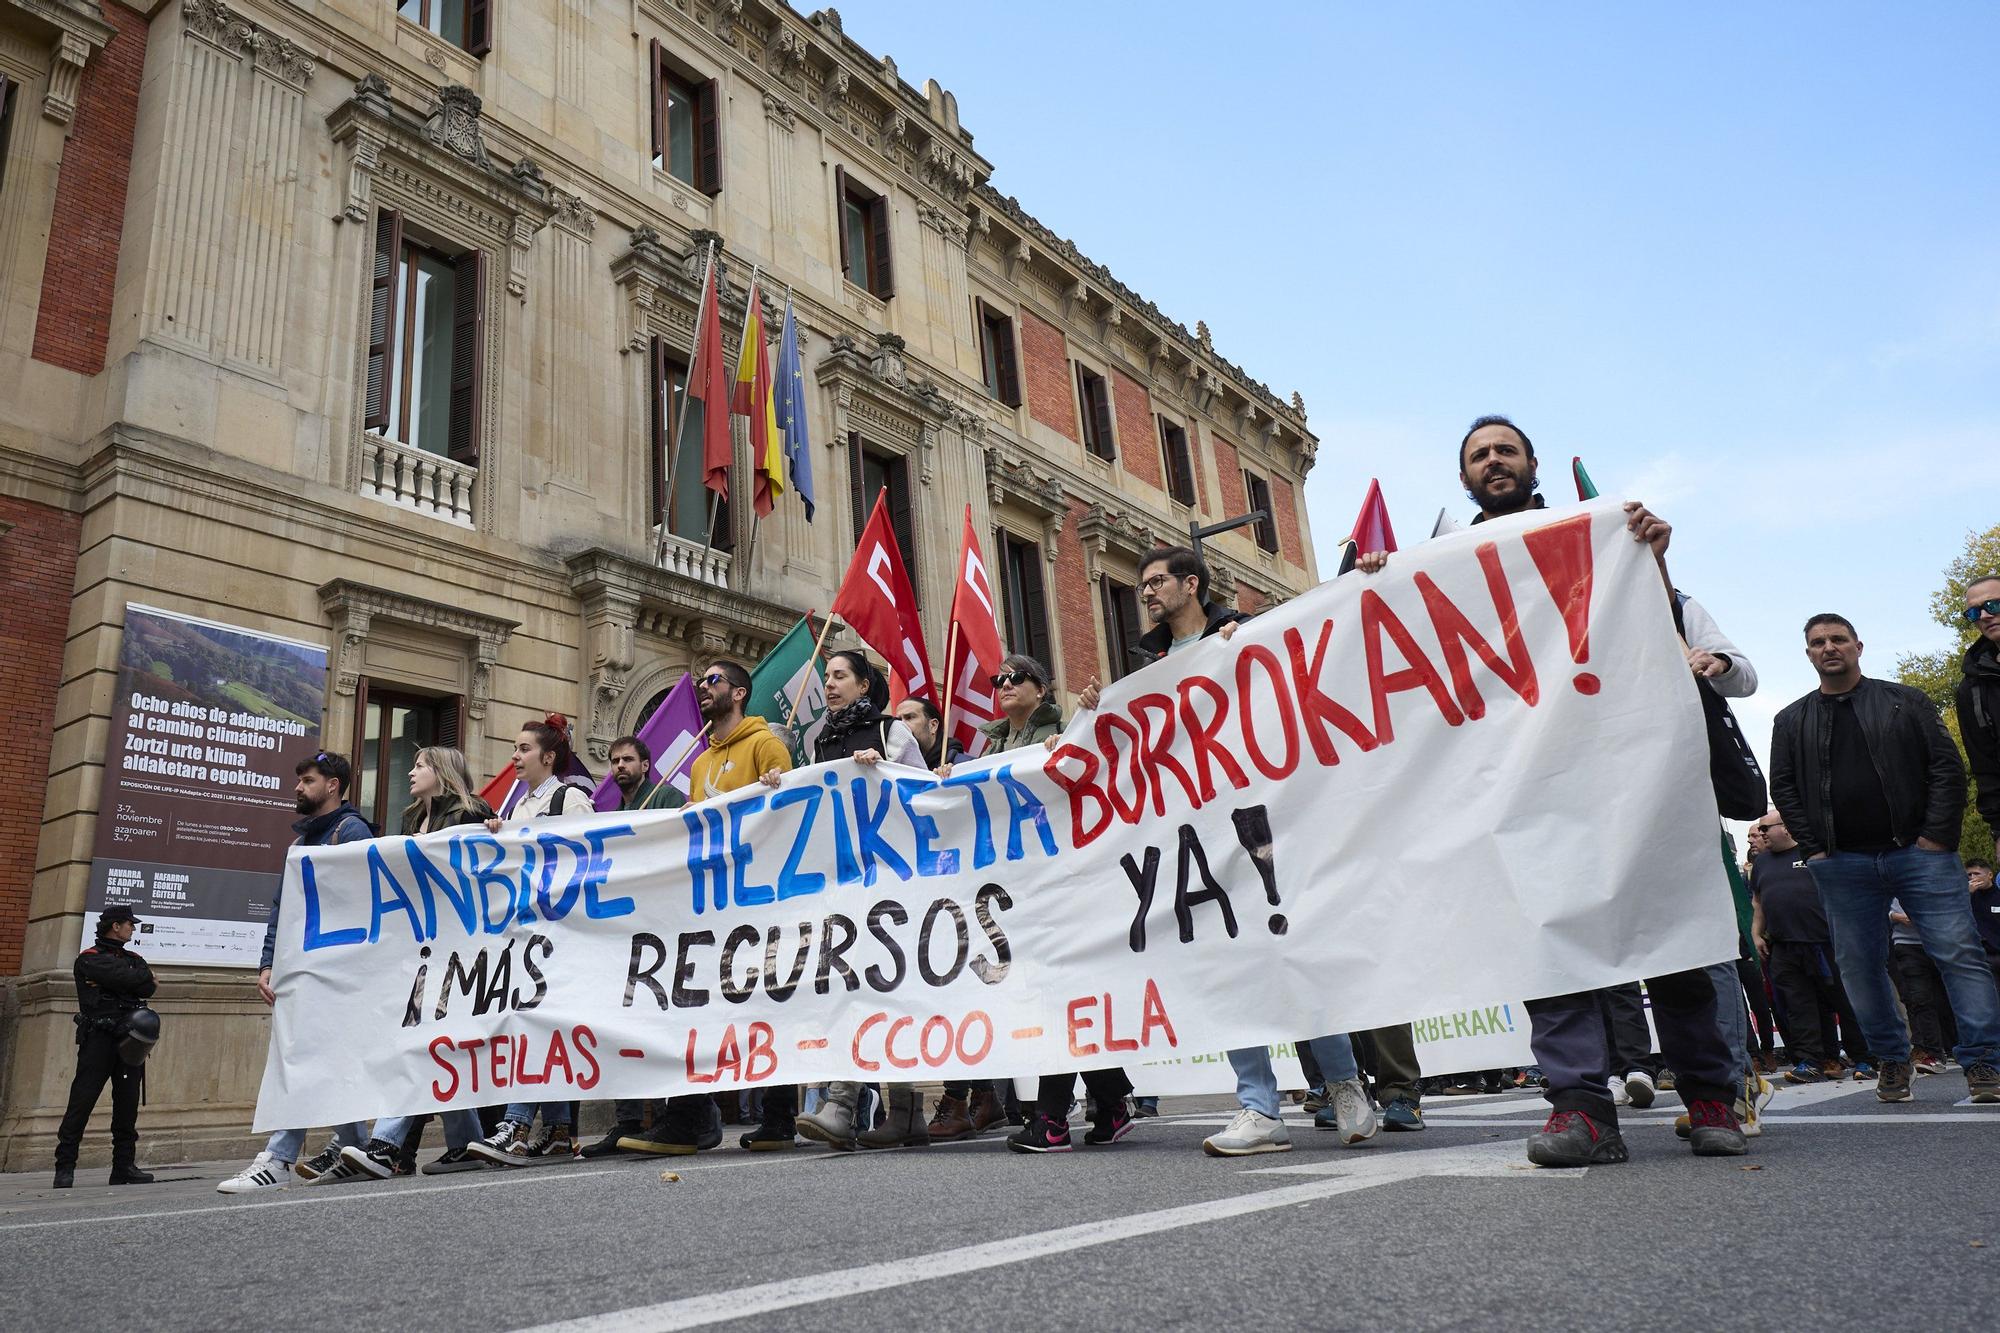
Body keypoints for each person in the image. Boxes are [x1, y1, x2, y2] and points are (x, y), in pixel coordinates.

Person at [1358, 416, 1749, 1164]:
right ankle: (1581, 1108)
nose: (1494, 461)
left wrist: (1653, 562)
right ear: (1464, 478)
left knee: (1668, 933)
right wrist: (1379, 589)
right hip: (1524, 783)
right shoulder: (1442, 564)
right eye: (1480, 455)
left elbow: (1671, 637)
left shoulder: (1604, 536)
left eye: (1506, 449)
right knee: (1549, 947)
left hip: (1628, 764)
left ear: (1532, 463)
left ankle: (1709, 1097)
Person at [1768, 613, 2000, 1103]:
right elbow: (1784, 788)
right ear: (1808, 653)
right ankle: (1892, 1060)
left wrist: (1937, 836)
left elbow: (1946, 767)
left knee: (1960, 954)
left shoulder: (1904, 701)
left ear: (1858, 646)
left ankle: (1983, 1061)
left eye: (1838, 639)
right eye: (1818, 642)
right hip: (1841, 861)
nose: (1829, 647)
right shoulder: (1791, 720)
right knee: (1858, 965)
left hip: (1919, 853)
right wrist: (1814, 848)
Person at [624, 663, 794, 1154]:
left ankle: (780, 1116)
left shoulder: (765, 745)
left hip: (759, 900)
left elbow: (784, 815)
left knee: (770, 1001)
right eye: (702, 681)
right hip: (709, 903)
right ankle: (691, 1117)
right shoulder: (699, 765)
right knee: (694, 1004)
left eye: (714, 680)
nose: (704, 687)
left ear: (739, 693)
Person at [217, 752, 377, 1193]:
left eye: (307, 780)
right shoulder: (300, 843)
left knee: (301, 1056)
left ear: (333, 786)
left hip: (334, 968)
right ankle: (355, 1147)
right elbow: (281, 907)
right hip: (303, 966)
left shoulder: (351, 832)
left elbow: (362, 902)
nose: (298, 788)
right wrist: (268, 962)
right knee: (325, 1056)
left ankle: (279, 1157)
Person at [793, 651, 933, 1151]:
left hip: (892, 882)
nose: (829, 684)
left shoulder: (891, 732)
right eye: (826, 677)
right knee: (847, 983)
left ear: (863, 685)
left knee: (889, 986)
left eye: (839, 676)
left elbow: (927, 793)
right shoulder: (820, 743)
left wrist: (885, 771)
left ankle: (884, 1107)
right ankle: (854, 1105)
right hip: (844, 883)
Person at [338, 748, 498, 1179]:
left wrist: (496, 833)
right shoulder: (411, 820)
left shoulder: (472, 813)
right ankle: (465, 1144)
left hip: (459, 948)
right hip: (419, 948)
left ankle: (387, 1145)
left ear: (442, 773)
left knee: (419, 1040)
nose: (410, 772)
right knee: (437, 1043)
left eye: (421, 766)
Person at [469, 718, 599, 1165]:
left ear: (548, 757)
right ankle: (560, 1130)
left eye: (523, 749)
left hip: (561, 935)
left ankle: (517, 1123)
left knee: (534, 1025)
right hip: (524, 935)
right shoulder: (515, 810)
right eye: (514, 748)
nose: (514, 757)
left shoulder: (571, 799)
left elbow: (593, 859)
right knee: (543, 1027)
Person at [1750, 811, 1869, 1083]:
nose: (1762, 833)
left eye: (1767, 827)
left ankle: (1865, 1057)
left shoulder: (1816, 852)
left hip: (1826, 942)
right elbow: (1758, 902)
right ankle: (1809, 1061)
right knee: (1798, 1006)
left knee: (1846, 1001)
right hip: (1784, 946)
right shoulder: (1761, 863)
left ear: (1787, 828)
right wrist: (1756, 934)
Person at [53, 906, 158, 1188]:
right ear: (115, 926)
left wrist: (137, 980)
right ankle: (65, 1167)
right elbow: (133, 979)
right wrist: (136, 979)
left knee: (127, 1105)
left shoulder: (134, 958)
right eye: (129, 925)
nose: (132, 929)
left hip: (129, 1041)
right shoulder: (89, 958)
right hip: (98, 1037)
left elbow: (148, 987)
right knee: (82, 1101)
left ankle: (123, 1167)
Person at [1888, 896, 1959, 1075]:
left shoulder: (1933, 873)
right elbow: (1874, 908)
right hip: (1906, 944)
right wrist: (1894, 916)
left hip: (1942, 942)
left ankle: (1962, 1047)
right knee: (1920, 999)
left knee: (1949, 998)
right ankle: (1933, 1053)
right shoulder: (1886, 877)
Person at [1956, 574, 2000, 841]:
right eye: (1974, 612)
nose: (1984, 615)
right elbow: (1986, 767)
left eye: (1993, 605)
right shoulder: (1972, 690)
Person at [896, 696, 966, 771]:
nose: (901, 724)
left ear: (933, 725)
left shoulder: (964, 767)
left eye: (909, 717)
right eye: (898, 720)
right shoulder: (894, 765)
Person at [1969, 859, 2000, 990]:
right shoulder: (1967, 899)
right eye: (1969, 875)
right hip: (1984, 957)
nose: (1972, 878)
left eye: (1976, 873)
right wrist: (1966, 895)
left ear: (1990, 875)